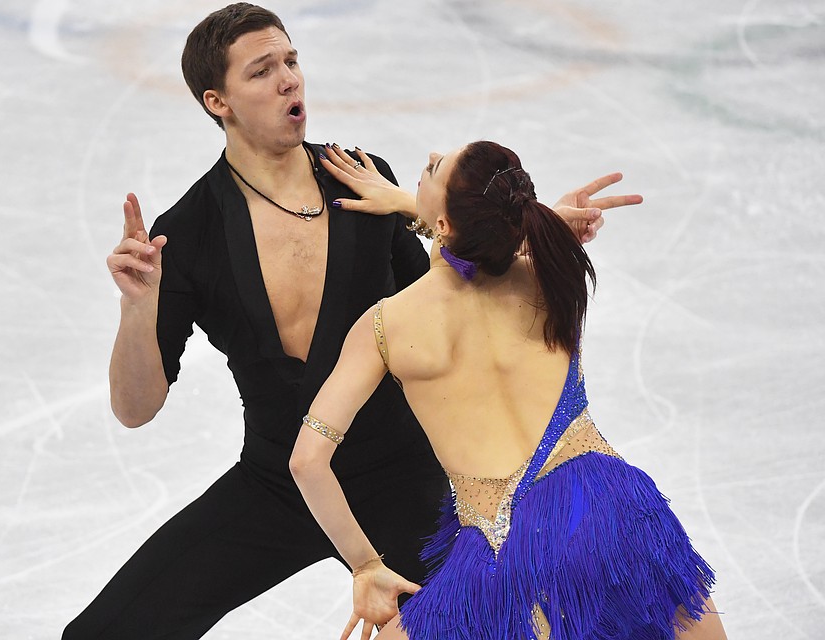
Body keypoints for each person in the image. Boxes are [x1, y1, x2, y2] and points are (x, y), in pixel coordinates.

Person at [64, 4, 642, 638]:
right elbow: (135, 408)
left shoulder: (362, 184)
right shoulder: (189, 233)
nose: (288, 79)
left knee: (518, 624)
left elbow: (454, 297)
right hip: (278, 482)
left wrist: (533, 234)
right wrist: (138, 308)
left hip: (405, 480)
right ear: (217, 102)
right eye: (261, 71)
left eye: (290, 61)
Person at [289, 142, 726, 640]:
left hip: (502, 553)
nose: (430, 156)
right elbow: (489, 240)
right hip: (607, 511)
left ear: (446, 224)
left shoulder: (385, 327)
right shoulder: (550, 270)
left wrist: (366, 566)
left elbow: (306, 461)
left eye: (433, 168)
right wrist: (427, 211)